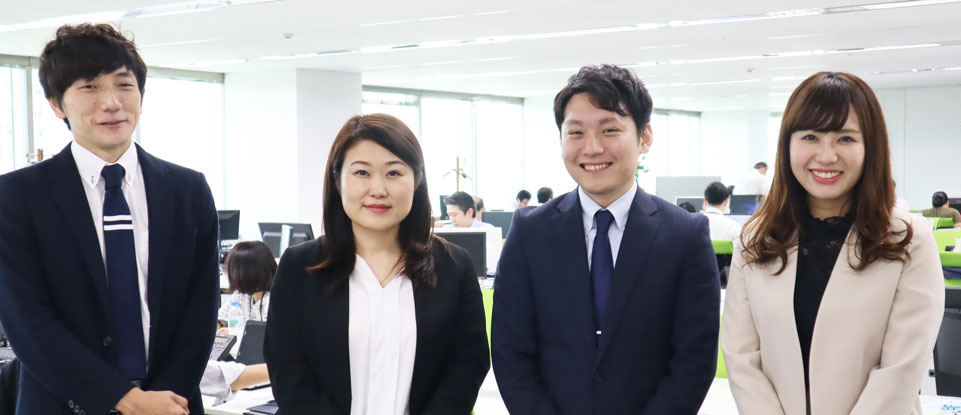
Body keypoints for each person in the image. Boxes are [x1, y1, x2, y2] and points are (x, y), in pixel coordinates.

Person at [0, 24, 219, 414]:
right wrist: (125, 401)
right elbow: (27, 321)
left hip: (170, 405)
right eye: (90, 87)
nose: (112, 102)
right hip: (62, 404)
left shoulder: (188, 190)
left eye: (124, 85)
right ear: (56, 104)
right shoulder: (17, 196)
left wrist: (162, 400)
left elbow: (201, 311)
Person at [492, 64, 720, 414]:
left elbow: (694, 359)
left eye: (610, 130)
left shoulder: (685, 234)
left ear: (644, 137)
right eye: (576, 132)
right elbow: (511, 351)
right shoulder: (530, 231)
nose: (592, 148)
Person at [722, 72, 944, 415]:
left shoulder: (907, 239)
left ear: (870, 147)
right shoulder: (755, 240)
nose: (826, 156)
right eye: (811, 136)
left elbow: (901, 370)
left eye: (845, 138)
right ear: (787, 144)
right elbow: (742, 360)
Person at [264, 114, 490, 414]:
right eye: (362, 172)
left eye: (394, 173)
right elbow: (288, 373)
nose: (378, 189)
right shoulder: (300, 266)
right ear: (337, 180)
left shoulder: (453, 266)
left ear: (417, 180)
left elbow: (467, 366)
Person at [202, 241, 274, 404]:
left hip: (265, 369)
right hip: (244, 366)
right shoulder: (241, 296)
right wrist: (220, 328)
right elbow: (219, 319)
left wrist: (234, 332)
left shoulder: (275, 299)